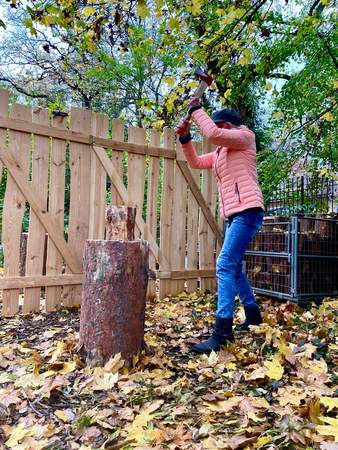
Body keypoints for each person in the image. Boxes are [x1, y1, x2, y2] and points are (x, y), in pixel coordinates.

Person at [176, 98, 265, 354]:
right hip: (234, 214)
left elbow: (213, 134)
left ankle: (222, 332)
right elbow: (194, 162)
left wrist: (194, 110)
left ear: (227, 125)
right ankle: (254, 316)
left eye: (219, 127)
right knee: (234, 268)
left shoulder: (245, 136)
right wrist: (185, 139)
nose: (216, 133)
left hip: (248, 211)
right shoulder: (219, 154)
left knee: (224, 264)